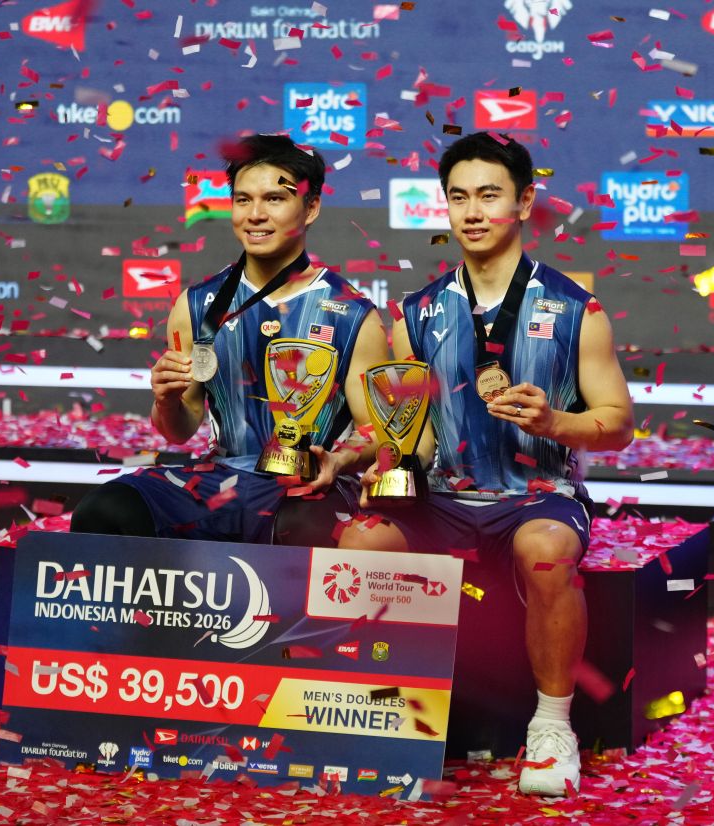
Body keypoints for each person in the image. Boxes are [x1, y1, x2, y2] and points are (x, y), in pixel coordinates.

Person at [342, 132, 633, 796]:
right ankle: (391, 721)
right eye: (459, 197)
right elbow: (409, 432)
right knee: (363, 539)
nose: (472, 212)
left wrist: (555, 421)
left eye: (490, 196)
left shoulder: (574, 310)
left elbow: (617, 423)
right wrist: (376, 457)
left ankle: (551, 727)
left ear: (525, 201)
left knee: (548, 551)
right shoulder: (416, 313)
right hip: (444, 498)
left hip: (537, 496)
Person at [72, 134, 388, 542]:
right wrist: (166, 399)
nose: (255, 215)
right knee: (105, 510)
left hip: (309, 487)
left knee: (306, 527)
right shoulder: (197, 303)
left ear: (311, 207)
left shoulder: (354, 314)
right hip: (220, 478)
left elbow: (377, 431)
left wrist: (339, 459)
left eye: (275, 199)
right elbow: (178, 430)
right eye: (243, 200)